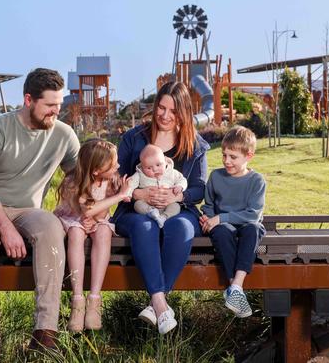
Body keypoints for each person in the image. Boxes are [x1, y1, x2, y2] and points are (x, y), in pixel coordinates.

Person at [0, 68, 80, 362]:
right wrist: (6, 229)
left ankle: (45, 335)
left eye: (59, 106)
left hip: (28, 210)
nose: (55, 112)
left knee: (51, 226)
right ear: (28, 99)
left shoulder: (63, 135)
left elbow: (80, 177)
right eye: (50, 106)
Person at [114, 81, 210, 335]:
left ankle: (156, 302)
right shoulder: (134, 138)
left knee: (180, 226)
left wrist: (177, 198)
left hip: (178, 209)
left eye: (173, 110)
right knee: (145, 226)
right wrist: (138, 192)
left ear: (184, 113)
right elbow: (116, 179)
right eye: (161, 108)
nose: (165, 115)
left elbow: (199, 188)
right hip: (136, 209)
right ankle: (160, 303)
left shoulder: (195, 146)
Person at [54, 138, 130, 333]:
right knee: (76, 233)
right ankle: (78, 301)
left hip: (95, 219)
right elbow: (85, 211)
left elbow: (101, 213)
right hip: (72, 218)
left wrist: (96, 220)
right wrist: (119, 196)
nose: (118, 166)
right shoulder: (74, 182)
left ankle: (94, 300)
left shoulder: (110, 180)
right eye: (112, 164)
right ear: (96, 170)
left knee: (104, 231)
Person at [200, 126, 266, 318]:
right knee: (222, 231)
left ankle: (236, 284)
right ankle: (235, 291)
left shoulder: (256, 180)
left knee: (252, 230)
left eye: (233, 157)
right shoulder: (216, 176)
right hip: (223, 228)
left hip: (246, 224)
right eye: (224, 155)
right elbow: (209, 204)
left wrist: (220, 217)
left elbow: (253, 215)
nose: (227, 161)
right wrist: (208, 217)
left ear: (249, 156)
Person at [126, 144, 188, 228]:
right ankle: (152, 213)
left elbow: (182, 180)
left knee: (176, 206)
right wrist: (128, 194)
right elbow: (130, 184)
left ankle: (164, 217)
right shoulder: (140, 175)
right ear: (142, 167)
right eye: (149, 168)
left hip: (168, 205)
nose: (155, 170)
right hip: (148, 205)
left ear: (165, 161)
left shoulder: (172, 173)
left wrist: (180, 186)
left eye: (158, 165)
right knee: (137, 205)